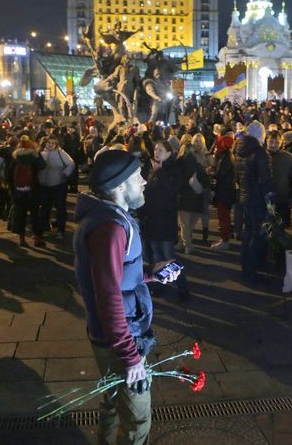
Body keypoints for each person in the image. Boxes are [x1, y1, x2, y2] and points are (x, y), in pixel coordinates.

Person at [73, 149, 180, 444]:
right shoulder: (110, 228)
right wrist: (130, 357)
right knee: (137, 419)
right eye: (137, 177)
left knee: (112, 402)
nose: (144, 181)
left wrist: (152, 273)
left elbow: (117, 278)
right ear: (120, 187)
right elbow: (108, 296)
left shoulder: (110, 219)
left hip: (112, 337)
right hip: (122, 339)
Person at [139, 140, 190, 299]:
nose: (156, 152)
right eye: (155, 149)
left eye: (160, 150)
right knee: (156, 256)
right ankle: (159, 283)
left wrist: (159, 171)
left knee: (169, 255)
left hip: (166, 220)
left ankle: (182, 286)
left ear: (169, 153)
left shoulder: (173, 169)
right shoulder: (150, 167)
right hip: (152, 220)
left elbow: (172, 190)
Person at [237, 121, 274, 284]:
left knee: (247, 233)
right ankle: (251, 271)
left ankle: (245, 267)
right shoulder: (259, 153)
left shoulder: (240, 150)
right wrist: (270, 199)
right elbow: (266, 179)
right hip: (257, 198)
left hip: (245, 196)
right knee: (256, 235)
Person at [9, 136, 46, 247]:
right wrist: (37, 152)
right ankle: (37, 239)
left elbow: (9, 175)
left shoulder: (15, 158)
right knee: (35, 215)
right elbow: (43, 166)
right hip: (33, 191)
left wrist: (13, 191)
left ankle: (22, 239)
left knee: (21, 216)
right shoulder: (34, 157)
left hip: (18, 192)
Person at [37, 135, 75, 240]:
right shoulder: (41, 154)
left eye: (53, 143)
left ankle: (60, 230)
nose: (51, 145)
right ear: (45, 143)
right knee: (45, 208)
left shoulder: (61, 153)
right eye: (49, 143)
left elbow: (71, 164)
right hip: (44, 186)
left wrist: (64, 174)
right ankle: (44, 229)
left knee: (60, 208)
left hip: (59, 185)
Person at [266, 130, 292, 228]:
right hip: (263, 200)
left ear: (281, 143)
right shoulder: (261, 156)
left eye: (277, 142)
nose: (273, 145)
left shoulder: (288, 158)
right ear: (266, 141)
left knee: (279, 229)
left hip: (282, 200)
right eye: (271, 142)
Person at [210, 133, 235, 250]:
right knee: (224, 216)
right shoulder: (226, 156)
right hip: (225, 191)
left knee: (224, 217)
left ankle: (225, 240)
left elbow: (220, 175)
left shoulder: (225, 158)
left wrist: (211, 174)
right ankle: (224, 238)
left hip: (224, 192)